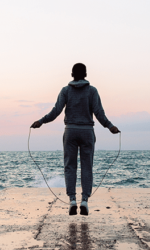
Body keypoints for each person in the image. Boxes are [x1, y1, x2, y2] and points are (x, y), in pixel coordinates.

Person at [31, 63, 120, 216]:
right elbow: (99, 113)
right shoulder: (92, 91)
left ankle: (72, 200)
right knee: (87, 167)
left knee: (69, 166)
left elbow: (56, 111)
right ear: (85, 74)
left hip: (70, 131)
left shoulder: (65, 91)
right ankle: (84, 200)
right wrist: (110, 126)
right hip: (87, 132)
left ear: (72, 74)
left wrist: (41, 121)